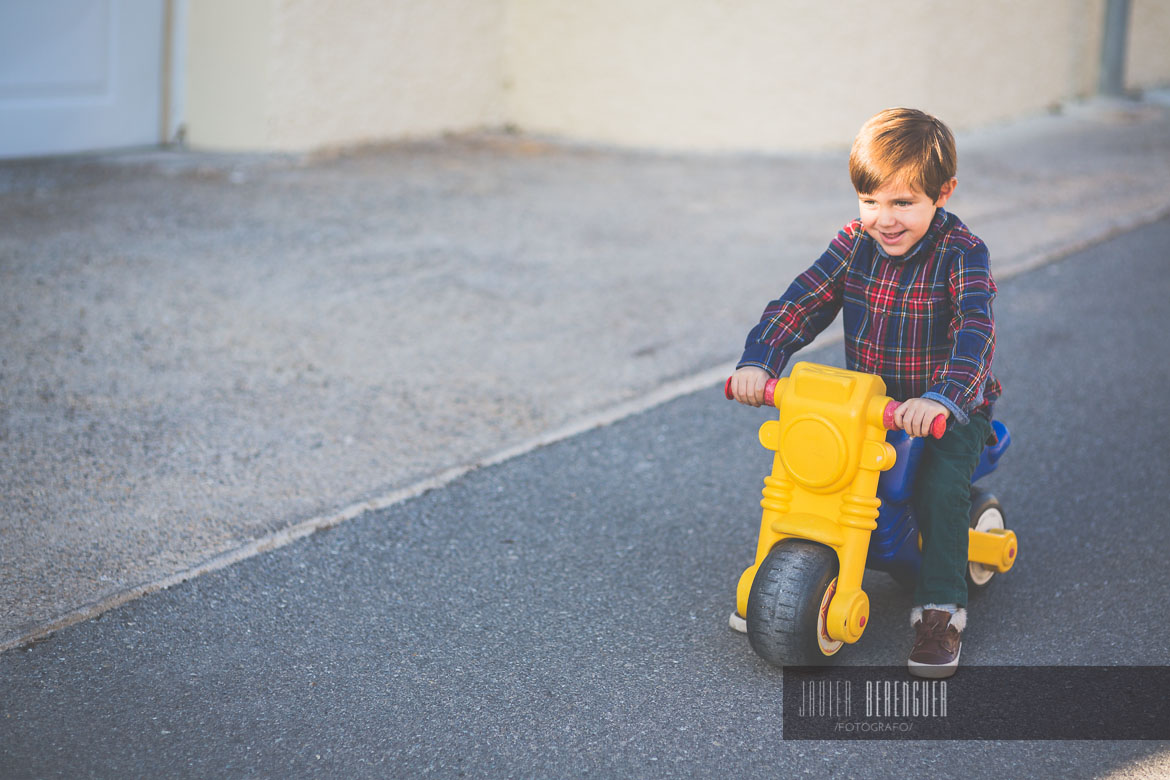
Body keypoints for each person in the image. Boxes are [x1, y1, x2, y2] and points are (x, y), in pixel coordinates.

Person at [727, 107, 1001, 679]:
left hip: (947, 409)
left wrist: (943, 399)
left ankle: (941, 609)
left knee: (940, 486)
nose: (885, 219)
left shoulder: (962, 254)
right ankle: (785, 579)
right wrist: (760, 360)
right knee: (809, 471)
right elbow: (801, 302)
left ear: (942, 192)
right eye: (871, 201)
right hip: (867, 409)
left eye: (904, 203)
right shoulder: (854, 244)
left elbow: (974, 333)